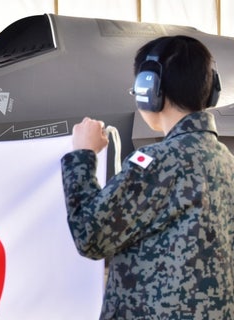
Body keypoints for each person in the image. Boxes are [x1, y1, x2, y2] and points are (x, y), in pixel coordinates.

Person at [60, 35, 234, 318]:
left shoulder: (158, 163)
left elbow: (90, 236)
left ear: (149, 89)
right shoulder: (225, 159)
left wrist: (82, 156)